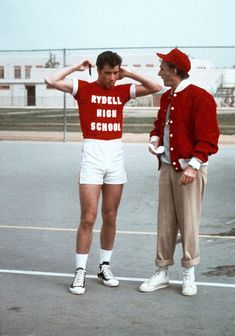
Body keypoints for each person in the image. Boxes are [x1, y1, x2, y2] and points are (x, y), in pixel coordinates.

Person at [45, 51, 162, 295]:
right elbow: (51, 80)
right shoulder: (83, 88)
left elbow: (156, 86)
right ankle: (80, 272)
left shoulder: (122, 89)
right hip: (92, 156)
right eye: (107, 73)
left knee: (110, 215)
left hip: (115, 157)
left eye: (115, 72)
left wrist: (127, 73)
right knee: (88, 217)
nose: (112, 78)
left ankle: (104, 266)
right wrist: (76, 66)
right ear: (98, 71)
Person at [139, 48, 219, 296]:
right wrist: (154, 139)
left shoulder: (200, 97)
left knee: (189, 223)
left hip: (188, 171)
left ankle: (188, 272)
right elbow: (158, 125)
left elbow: (209, 137)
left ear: (174, 71)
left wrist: (194, 165)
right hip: (166, 167)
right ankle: (162, 271)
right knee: (165, 222)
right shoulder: (167, 97)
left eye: (162, 67)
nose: (159, 71)